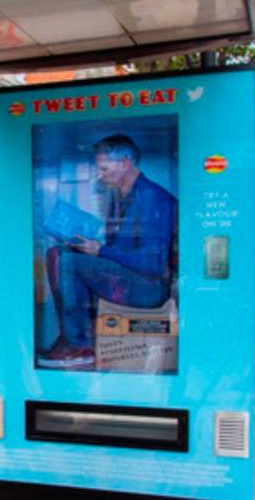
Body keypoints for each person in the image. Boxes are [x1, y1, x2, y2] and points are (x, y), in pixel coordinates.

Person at [40, 134, 176, 368]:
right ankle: (70, 336)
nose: (100, 175)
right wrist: (92, 244)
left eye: (104, 169)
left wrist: (101, 251)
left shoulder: (153, 198)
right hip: (130, 276)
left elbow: (154, 264)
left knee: (68, 263)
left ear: (125, 163)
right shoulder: (121, 196)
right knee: (56, 253)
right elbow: (125, 249)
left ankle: (79, 346)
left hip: (149, 289)